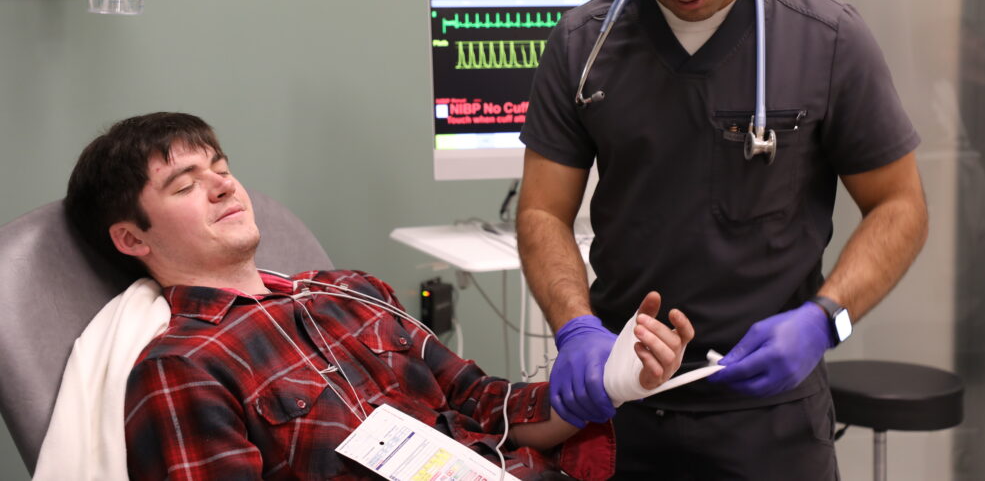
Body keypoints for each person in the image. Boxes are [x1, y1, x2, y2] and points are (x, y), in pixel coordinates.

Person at [516, 0, 928, 479]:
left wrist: (825, 320)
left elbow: (901, 206)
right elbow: (540, 211)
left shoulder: (827, 41)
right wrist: (576, 328)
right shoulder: (583, 48)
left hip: (772, 427)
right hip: (624, 412)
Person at [63, 111, 694, 480]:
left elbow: (484, 403)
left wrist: (615, 379)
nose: (223, 188)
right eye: (184, 185)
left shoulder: (352, 294)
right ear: (130, 238)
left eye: (222, 170)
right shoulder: (183, 366)